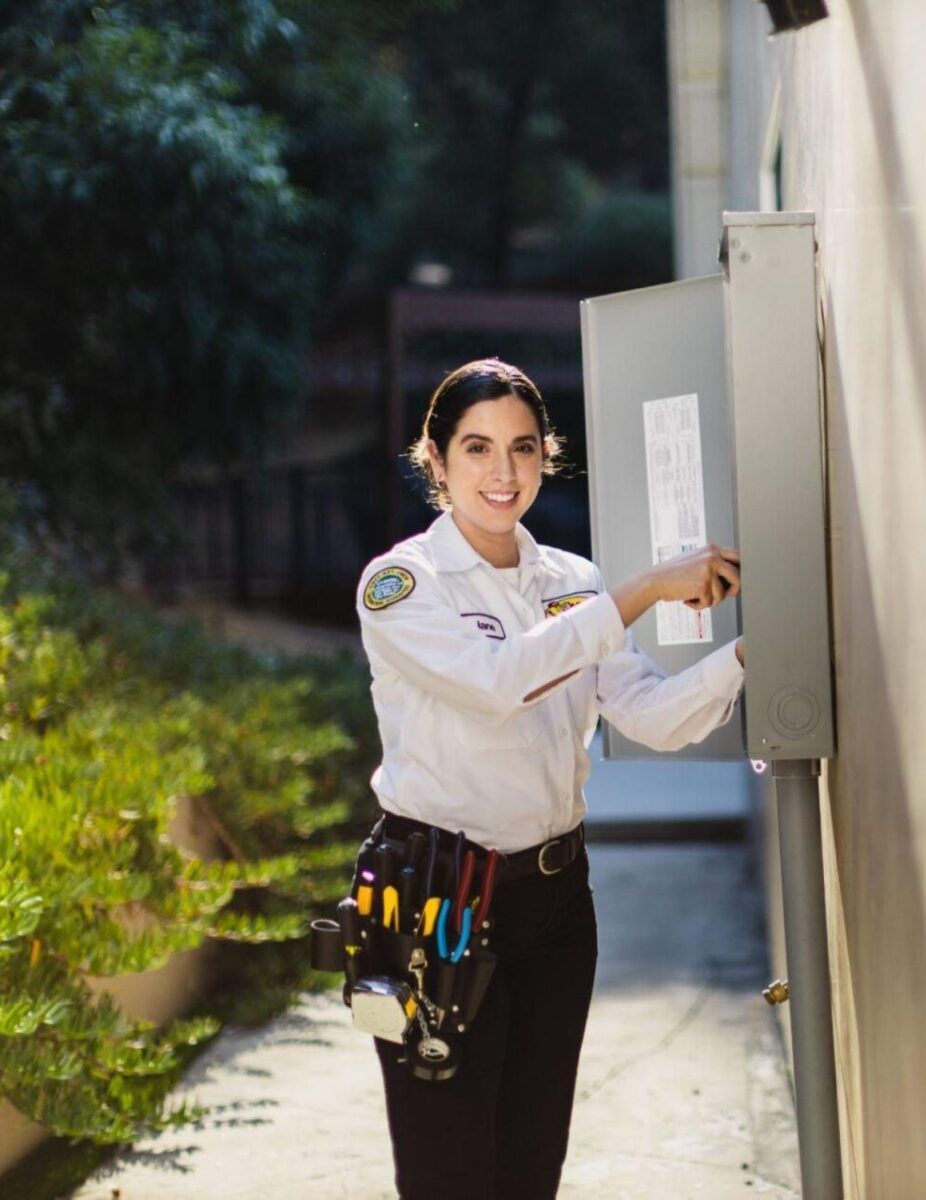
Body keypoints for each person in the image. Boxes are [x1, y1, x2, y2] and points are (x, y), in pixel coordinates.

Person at [353, 357, 745, 1198]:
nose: (503, 473)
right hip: (438, 894)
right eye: (477, 448)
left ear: (544, 456)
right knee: (450, 1169)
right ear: (435, 458)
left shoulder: (573, 583)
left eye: (522, 448)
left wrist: (750, 654)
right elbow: (499, 682)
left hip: (556, 901)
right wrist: (643, 591)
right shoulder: (400, 587)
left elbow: (649, 715)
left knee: (532, 1162)